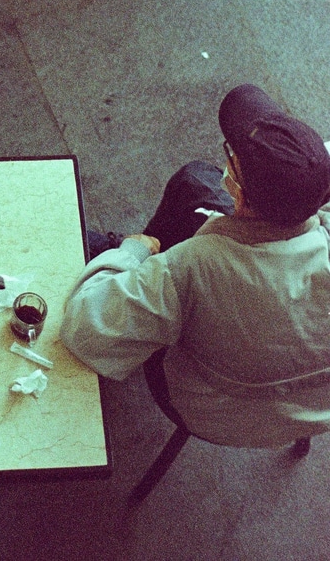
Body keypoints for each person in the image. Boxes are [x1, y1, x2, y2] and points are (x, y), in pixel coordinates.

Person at [61, 86, 330, 449]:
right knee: (195, 184)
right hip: (313, 410)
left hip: (215, 410)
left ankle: (132, 258)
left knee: (191, 181)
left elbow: (85, 329)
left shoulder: (193, 266)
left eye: (232, 158)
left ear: (239, 191)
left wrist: (132, 253)